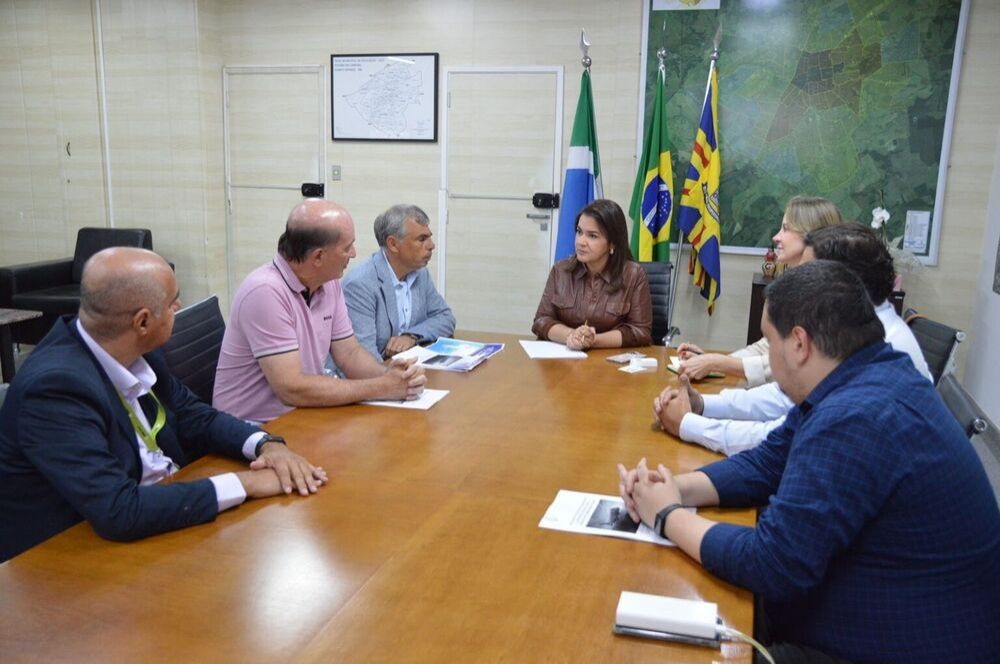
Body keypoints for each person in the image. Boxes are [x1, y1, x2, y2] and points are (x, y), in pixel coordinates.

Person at [618, 261, 1000, 663]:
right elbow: (766, 464)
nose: (769, 365)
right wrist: (675, 487)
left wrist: (668, 516)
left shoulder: (857, 415)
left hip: (895, 644)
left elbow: (772, 564)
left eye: (769, 342)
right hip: (866, 607)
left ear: (800, 343)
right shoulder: (862, 374)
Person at [0, 248, 327, 562]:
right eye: (173, 303)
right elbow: (117, 510)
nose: (179, 307)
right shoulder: (55, 389)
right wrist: (247, 484)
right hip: (67, 558)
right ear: (142, 322)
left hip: (160, 508)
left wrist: (265, 446)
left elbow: (193, 415)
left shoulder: (136, 350)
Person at [658, 223, 933, 455]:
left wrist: (689, 425)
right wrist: (705, 405)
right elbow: (784, 398)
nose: (802, 285)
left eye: (810, 276)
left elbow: (784, 438)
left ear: (843, 284)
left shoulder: (874, 343)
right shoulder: (854, 324)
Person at [213, 199, 426, 423]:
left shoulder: (328, 282)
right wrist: (381, 387)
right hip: (254, 428)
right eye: (347, 247)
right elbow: (290, 388)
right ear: (318, 257)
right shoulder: (265, 291)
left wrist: (392, 376)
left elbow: (349, 354)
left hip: (301, 415)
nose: (353, 253)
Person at [678, 196, 843, 385]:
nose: (776, 237)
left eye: (786, 229)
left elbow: (789, 364)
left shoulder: (832, 296)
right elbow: (768, 347)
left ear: (811, 235)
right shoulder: (797, 286)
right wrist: (710, 362)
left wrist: (718, 363)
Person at [531, 199, 652, 349]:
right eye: (579, 232)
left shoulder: (634, 275)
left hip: (611, 364)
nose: (581, 241)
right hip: (566, 361)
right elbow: (541, 321)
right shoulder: (560, 271)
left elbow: (640, 331)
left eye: (592, 236)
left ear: (612, 243)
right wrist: (572, 335)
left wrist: (592, 340)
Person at [342, 204, 455, 361]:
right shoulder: (360, 284)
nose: (431, 245)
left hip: (407, 367)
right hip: (372, 375)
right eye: (422, 239)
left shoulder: (420, 273)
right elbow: (363, 355)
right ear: (393, 244)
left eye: (429, 237)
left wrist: (411, 336)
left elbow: (445, 317)